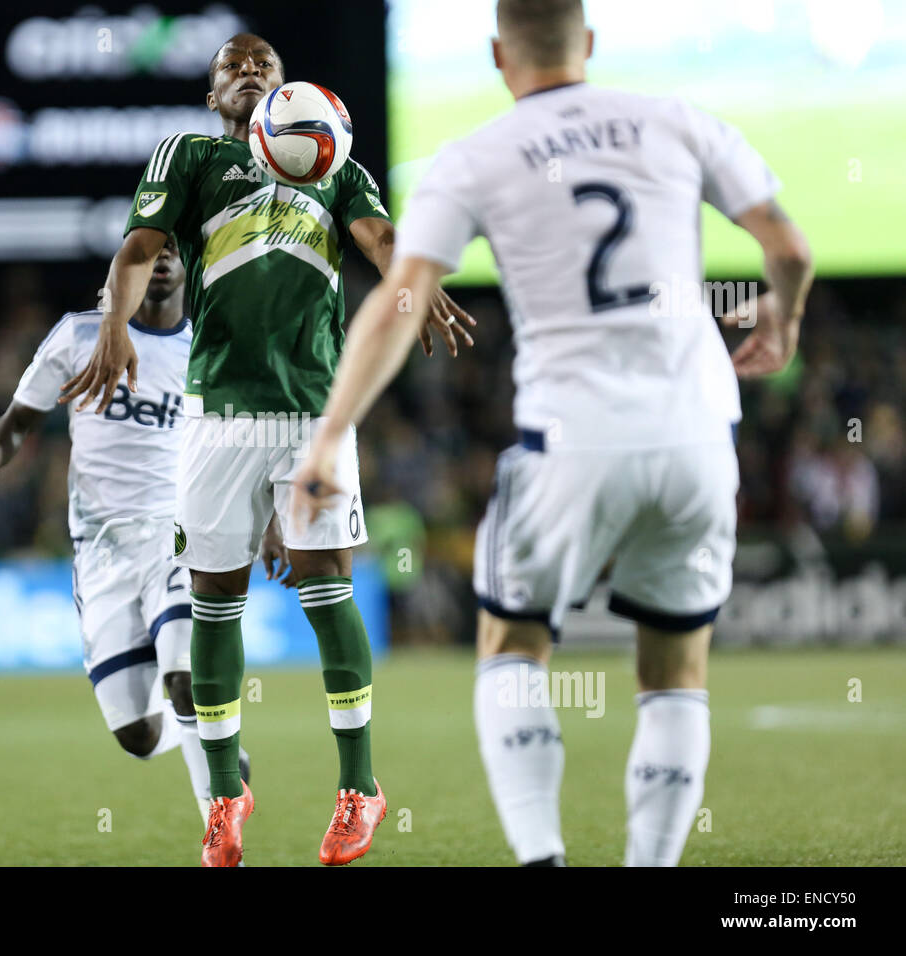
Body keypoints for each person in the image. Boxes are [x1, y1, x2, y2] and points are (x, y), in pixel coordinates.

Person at [292, 0, 813, 867]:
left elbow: (402, 298)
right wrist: (784, 322)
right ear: (592, 44)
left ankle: (544, 859)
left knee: (512, 645)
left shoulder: (474, 156)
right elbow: (789, 250)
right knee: (676, 673)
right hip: (695, 433)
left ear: (500, 54)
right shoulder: (675, 121)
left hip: (568, 441)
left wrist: (328, 437)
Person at [59, 33, 475, 866]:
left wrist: (417, 282)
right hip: (214, 417)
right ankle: (222, 796)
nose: (249, 73)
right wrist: (113, 325)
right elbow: (141, 248)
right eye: (232, 68)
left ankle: (360, 788)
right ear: (216, 96)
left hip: (314, 414)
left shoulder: (334, 159)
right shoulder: (192, 157)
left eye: (265, 66)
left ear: (292, 93)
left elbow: (380, 239)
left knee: (327, 588)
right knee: (214, 599)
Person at [0, 237, 277, 825]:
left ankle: (219, 821)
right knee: (135, 733)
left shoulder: (208, 347)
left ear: (188, 269)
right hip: (100, 548)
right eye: (146, 253)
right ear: (122, 268)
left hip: (177, 533)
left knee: (184, 674)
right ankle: (218, 750)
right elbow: (16, 420)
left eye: (171, 254)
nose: (159, 263)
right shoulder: (79, 337)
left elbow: (248, 440)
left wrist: (273, 520)